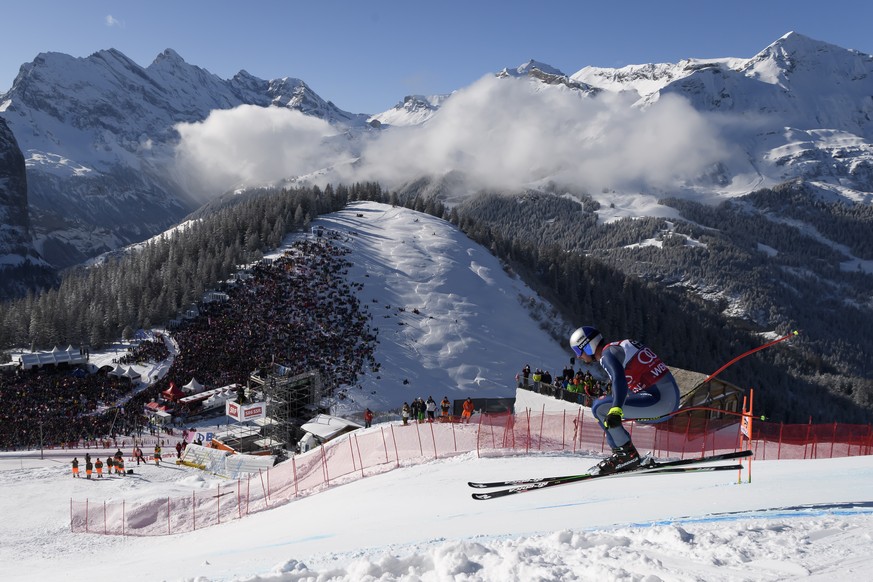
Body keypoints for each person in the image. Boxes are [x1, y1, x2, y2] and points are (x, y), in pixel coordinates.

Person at [569, 325, 680, 475]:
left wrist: (616, 409)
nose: (578, 356)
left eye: (578, 351)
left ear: (587, 346)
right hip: (666, 398)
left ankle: (625, 456)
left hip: (659, 401)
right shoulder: (619, 347)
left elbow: (619, 379)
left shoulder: (607, 355)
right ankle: (624, 455)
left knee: (599, 407)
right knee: (606, 405)